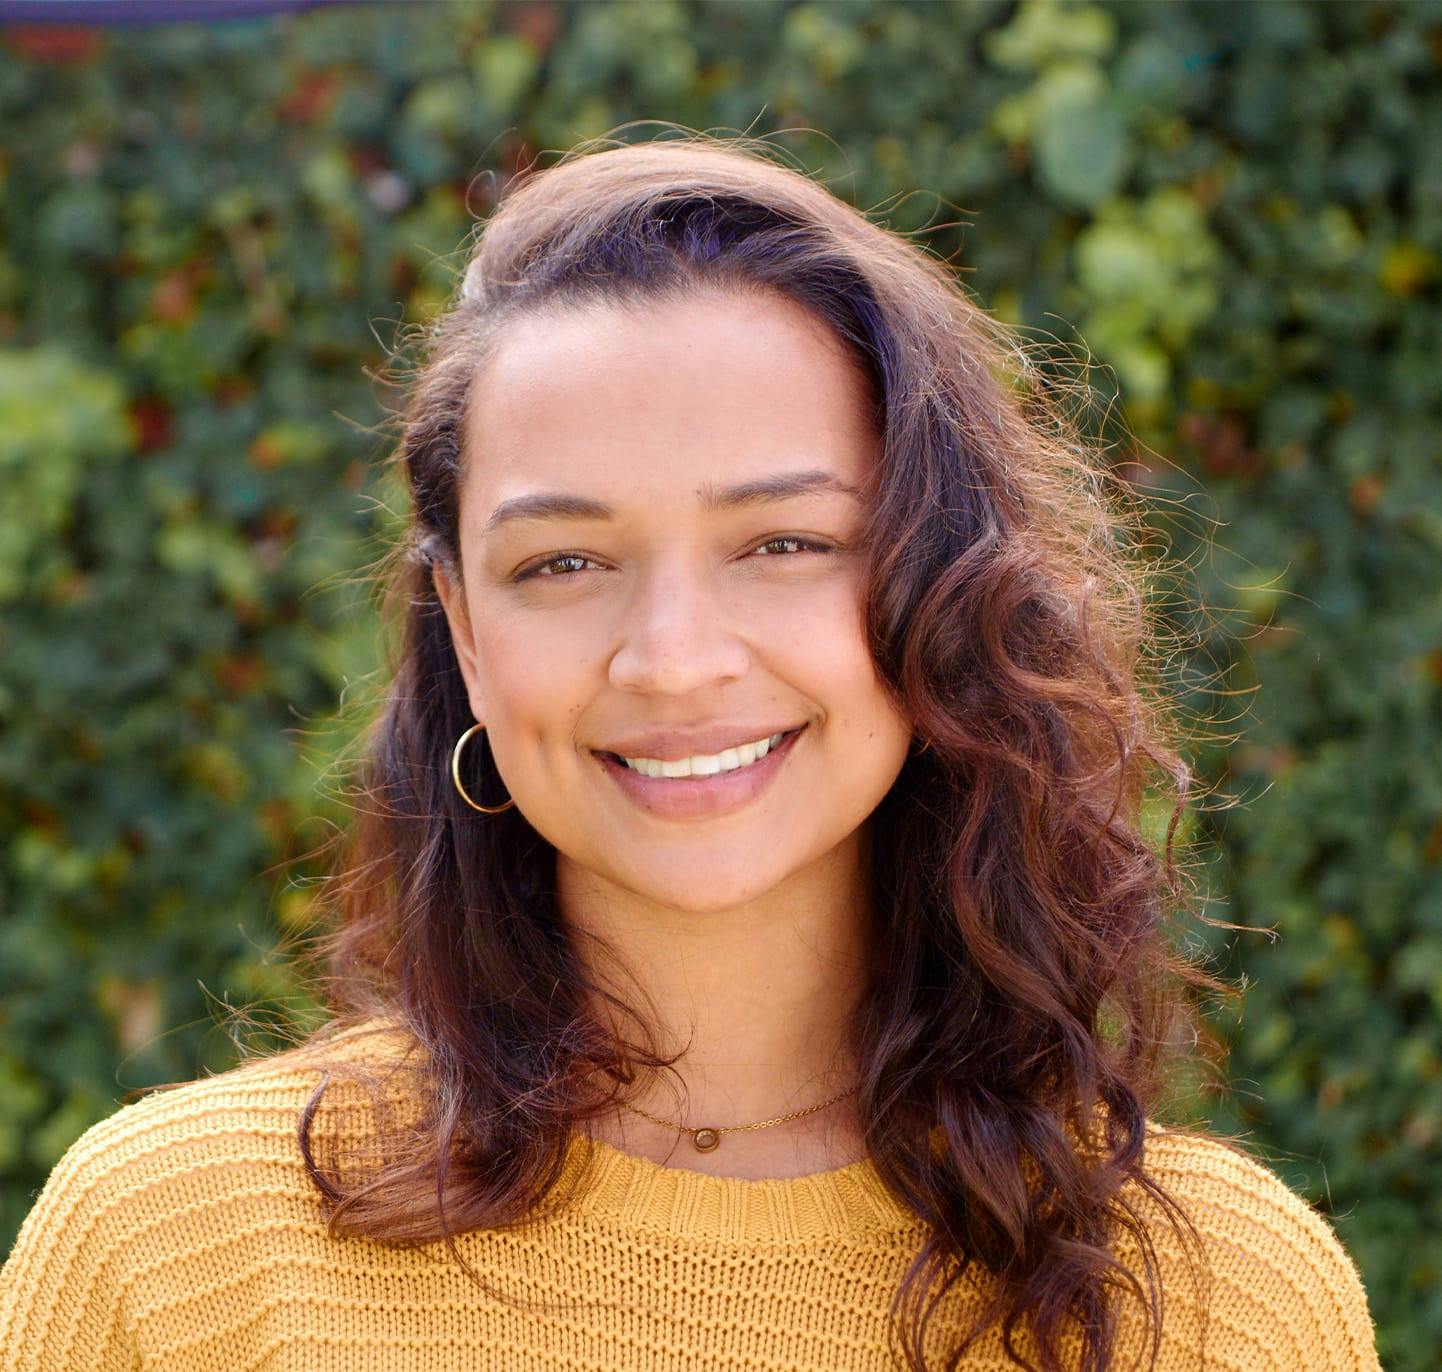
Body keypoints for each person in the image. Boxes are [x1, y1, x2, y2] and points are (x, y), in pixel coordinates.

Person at [0, 132, 1381, 1372]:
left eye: (781, 543)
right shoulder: (173, 1251)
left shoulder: (1218, 1304)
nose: (671, 657)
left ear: (938, 589)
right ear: (465, 637)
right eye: (562, 561)